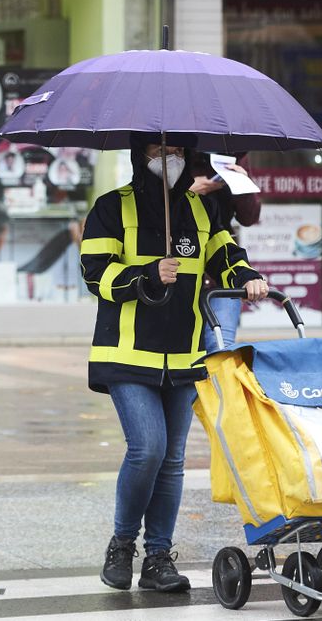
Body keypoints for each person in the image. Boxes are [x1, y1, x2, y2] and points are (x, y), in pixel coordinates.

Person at [80, 140, 267, 592]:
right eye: (158, 150)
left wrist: (247, 279)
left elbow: (226, 256)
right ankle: (123, 544)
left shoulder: (201, 210)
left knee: (173, 460)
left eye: (177, 149)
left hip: (184, 354)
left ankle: (158, 557)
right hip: (127, 353)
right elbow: (93, 272)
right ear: (139, 155)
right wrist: (145, 274)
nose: (170, 158)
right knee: (148, 448)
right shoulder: (111, 207)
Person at [187, 152, 262, 352]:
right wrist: (186, 191)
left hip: (222, 266)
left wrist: (242, 184)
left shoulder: (233, 151)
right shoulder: (175, 148)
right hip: (181, 265)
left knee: (220, 348)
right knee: (184, 351)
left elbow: (250, 217)